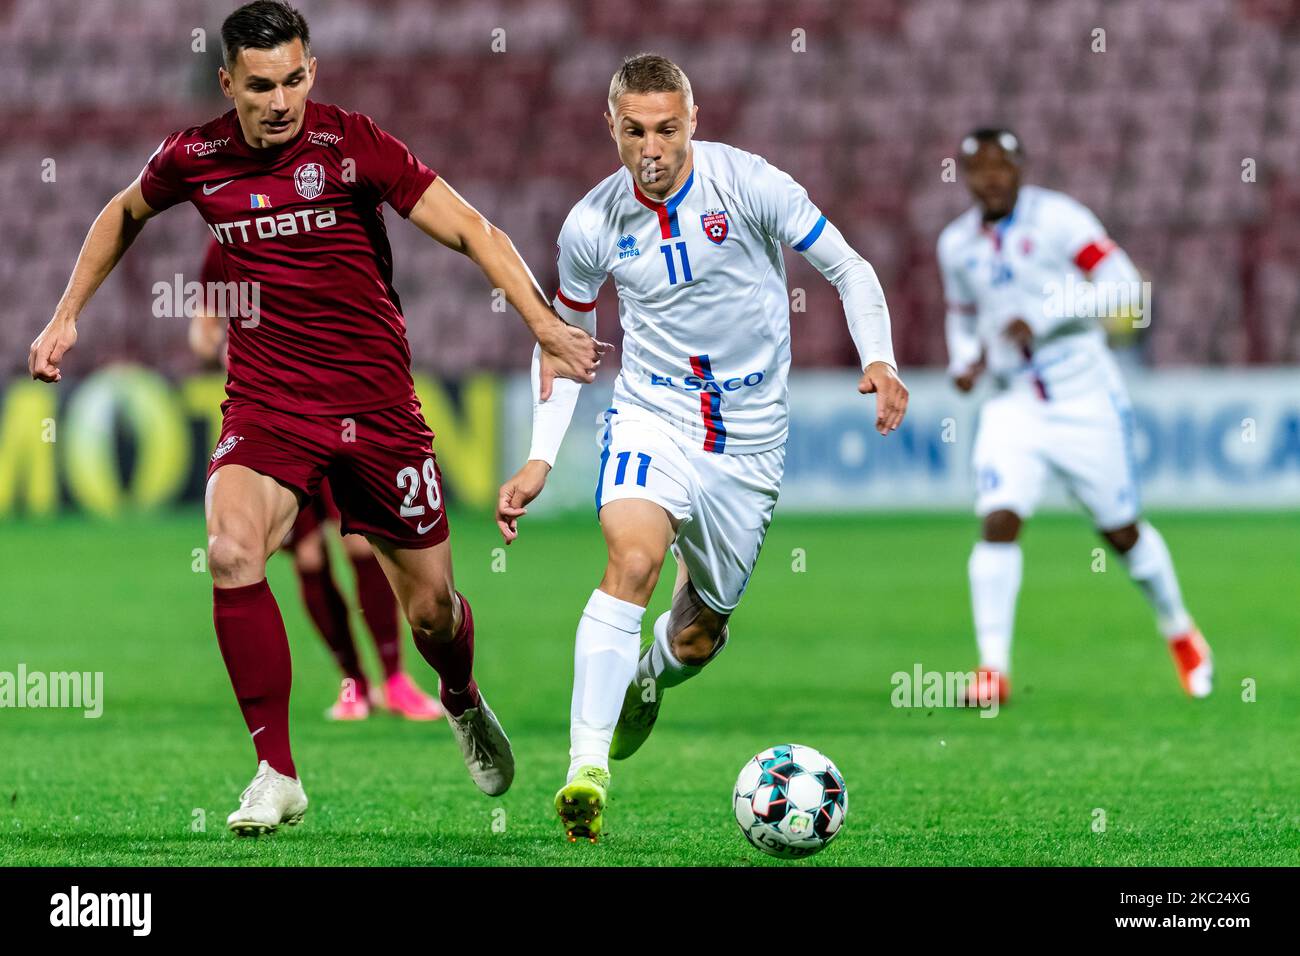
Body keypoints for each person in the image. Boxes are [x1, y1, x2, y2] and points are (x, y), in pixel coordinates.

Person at [28, 0, 607, 836]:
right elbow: (122, 211)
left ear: (312, 72)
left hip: (377, 407)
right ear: (228, 83)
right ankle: (277, 771)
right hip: (268, 404)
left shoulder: (352, 144)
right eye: (260, 84)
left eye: (295, 78)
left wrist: (546, 326)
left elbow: (473, 229)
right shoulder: (195, 157)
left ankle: (459, 694)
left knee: (432, 612)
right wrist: (65, 313)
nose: (280, 100)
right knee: (231, 549)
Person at [495, 54, 907, 842]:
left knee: (697, 634)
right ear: (609, 126)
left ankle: (649, 678)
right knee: (633, 559)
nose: (651, 149)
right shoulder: (590, 225)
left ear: (694, 121)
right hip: (654, 415)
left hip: (750, 443)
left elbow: (848, 268)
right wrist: (542, 455)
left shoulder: (749, 184)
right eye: (633, 130)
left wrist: (878, 359)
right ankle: (587, 768)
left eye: (667, 129)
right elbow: (564, 345)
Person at [936, 127, 1212, 705]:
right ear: (965, 178)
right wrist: (964, 359)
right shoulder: (955, 245)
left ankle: (1181, 631)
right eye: (978, 168)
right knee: (998, 520)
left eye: (1000, 166)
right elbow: (961, 316)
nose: (990, 177)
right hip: (1014, 402)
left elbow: (1124, 288)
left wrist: (1044, 314)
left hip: (1085, 399)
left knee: (1121, 532)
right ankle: (993, 670)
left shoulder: (1061, 219)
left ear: (1020, 169)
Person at [190, 241, 443, 722]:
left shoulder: (306, 222)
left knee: (359, 546)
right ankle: (354, 683)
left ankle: (395, 679)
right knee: (308, 557)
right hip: (270, 420)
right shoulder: (222, 246)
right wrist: (210, 341)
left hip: (333, 406)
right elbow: (204, 325)